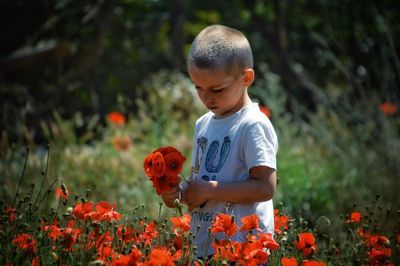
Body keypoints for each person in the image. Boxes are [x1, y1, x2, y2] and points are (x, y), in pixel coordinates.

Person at [161, 24, 278, 262]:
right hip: (205, 246)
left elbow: (265, 188)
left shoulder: (252, 124)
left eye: (217, 89)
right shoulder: (203, 124)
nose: (206, 97)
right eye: (198, 88)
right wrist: (177, 193)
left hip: (244, 249)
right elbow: (203, 182)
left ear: (246, 78)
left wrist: (209, 189)